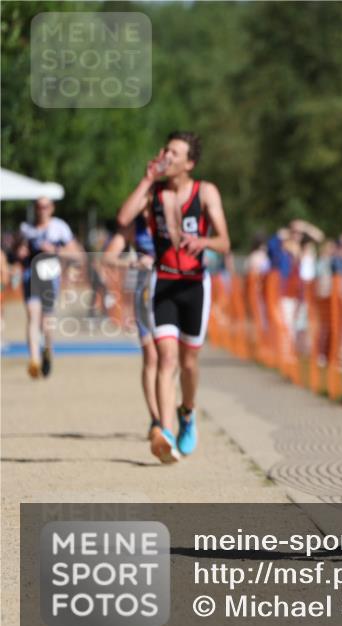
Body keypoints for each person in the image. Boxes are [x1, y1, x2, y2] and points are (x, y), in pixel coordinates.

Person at [117, 131, 231, 463]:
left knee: (188, 364)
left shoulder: (205, 192)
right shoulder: (153, 191)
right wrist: (146, 178)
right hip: (163, 282)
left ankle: (187, 412)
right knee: (165, 360)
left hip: (195, 285)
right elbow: (124, 219)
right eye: (165, 150)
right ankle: (165, 433)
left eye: (175, 153)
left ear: (189, 163)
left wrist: (204, 243)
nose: (167, 156)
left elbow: (225, 242)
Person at [103, 213, 161, 441]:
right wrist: (133, 262)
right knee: (151, 357)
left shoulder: (169, 217)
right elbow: (108, 258)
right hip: (144, 295)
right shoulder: (134, 226)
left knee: (168, 356)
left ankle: (170, 407)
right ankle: (156, 418)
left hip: (169, 293)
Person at [14, 197, 81, 378]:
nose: (42, 210)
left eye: (45, 206)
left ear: (51, 208)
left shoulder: (59, 227)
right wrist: (20, 252)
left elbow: (77, 254)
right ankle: (34, 361)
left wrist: (55, 251)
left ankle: (47, 351)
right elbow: (16, 250)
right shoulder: (26, 229)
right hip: (30, 276)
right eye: (38, 206)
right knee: (32, 316)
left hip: (49, 275)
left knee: (46, 323)